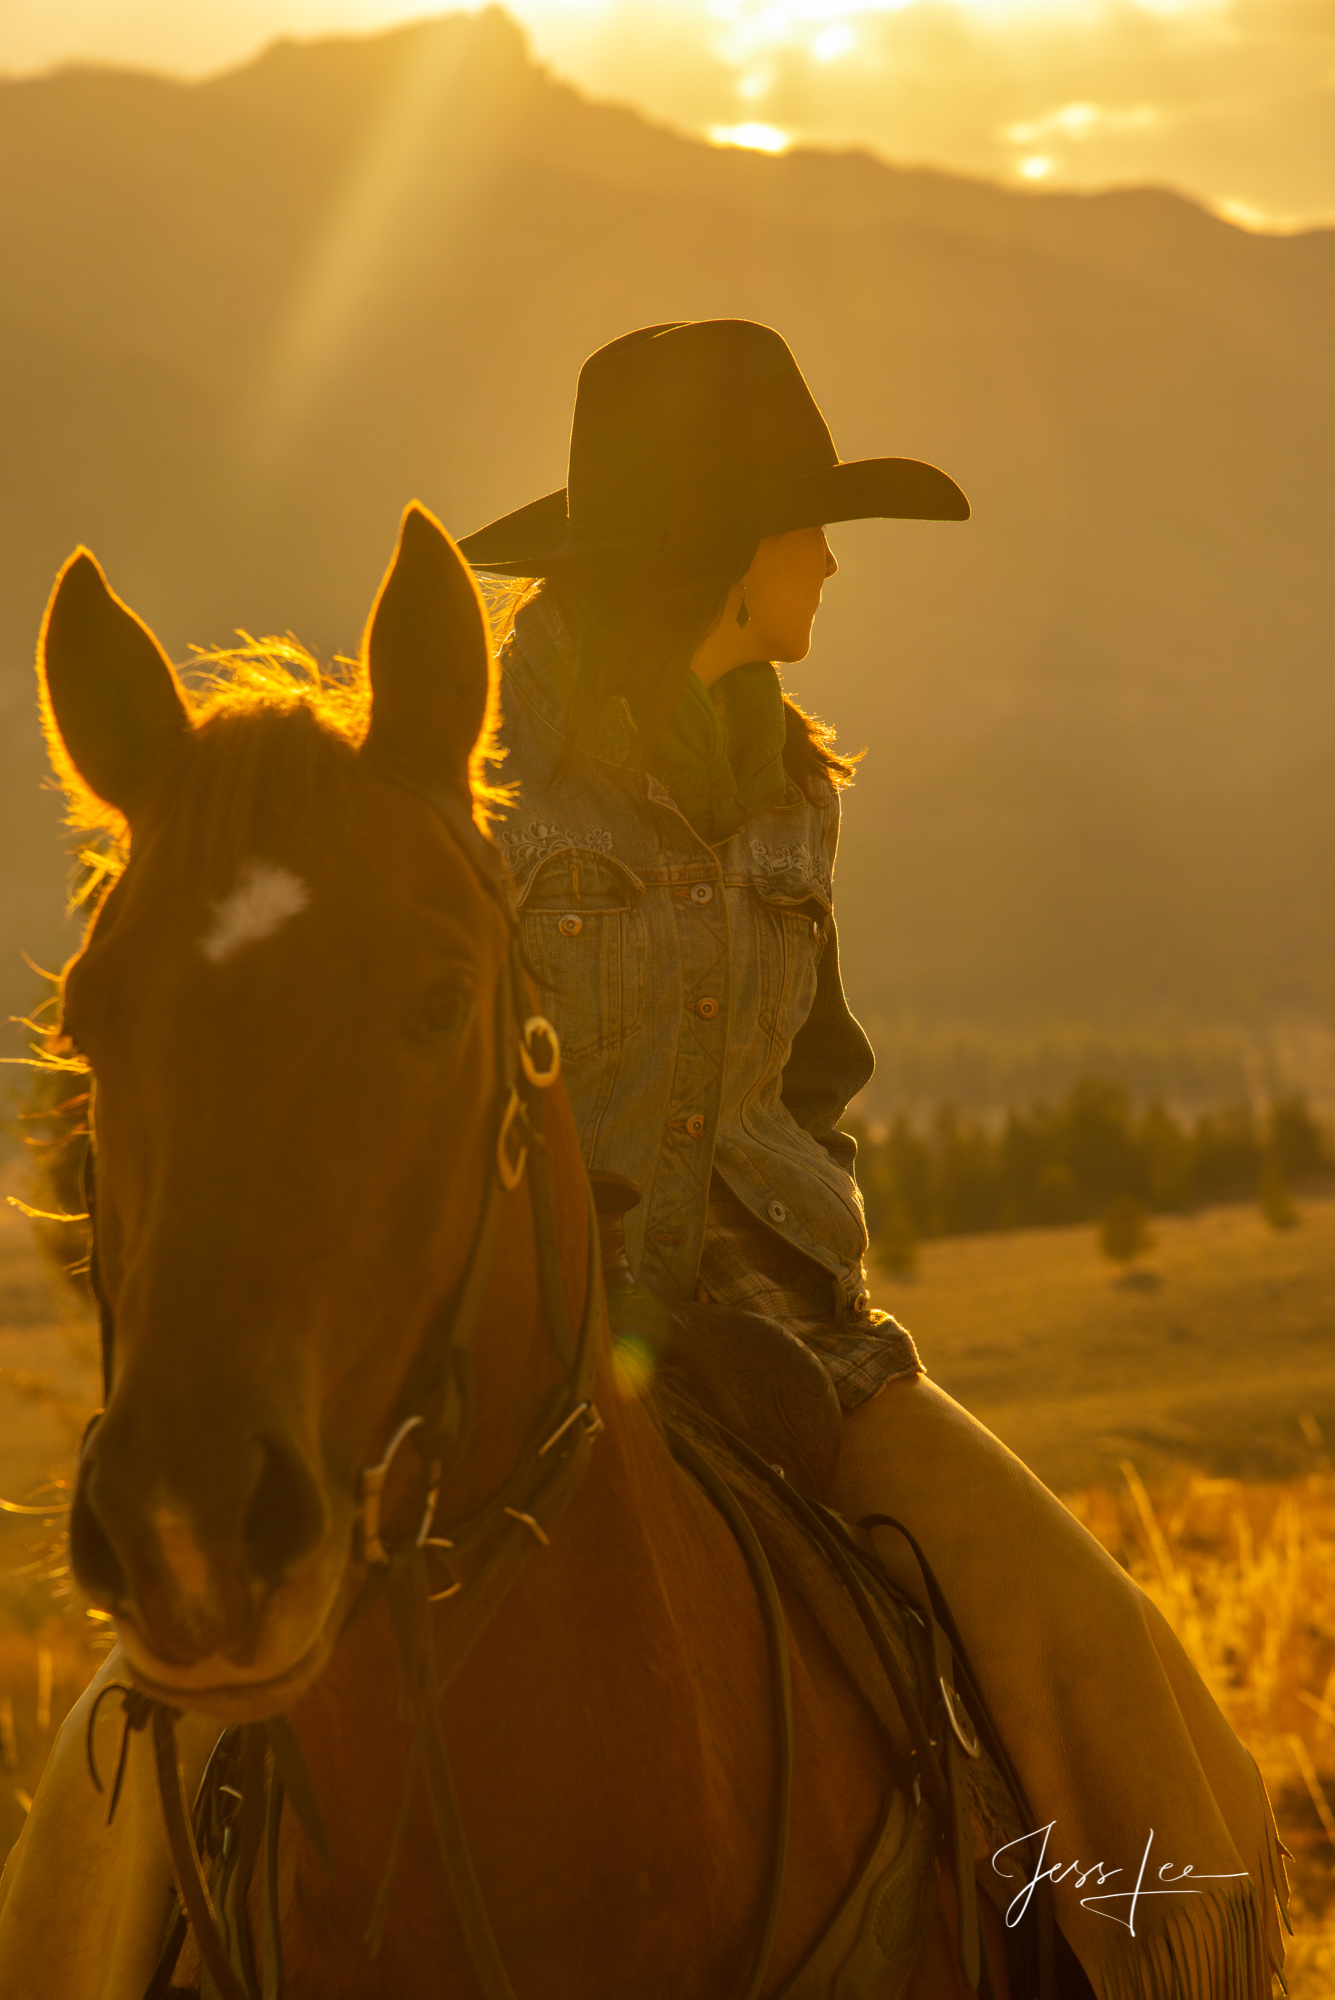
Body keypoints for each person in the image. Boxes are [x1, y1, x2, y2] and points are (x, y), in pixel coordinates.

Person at [458, 318, 1289, 2000]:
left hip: (798, 1356)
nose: (830, 560)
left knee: (1100, 1654)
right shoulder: (481, 805)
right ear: (721, 557)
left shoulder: (792, 791)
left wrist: (785, 1283)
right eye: (805, 525)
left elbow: (813, 1079)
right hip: (525, 1360)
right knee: (158, 1749)